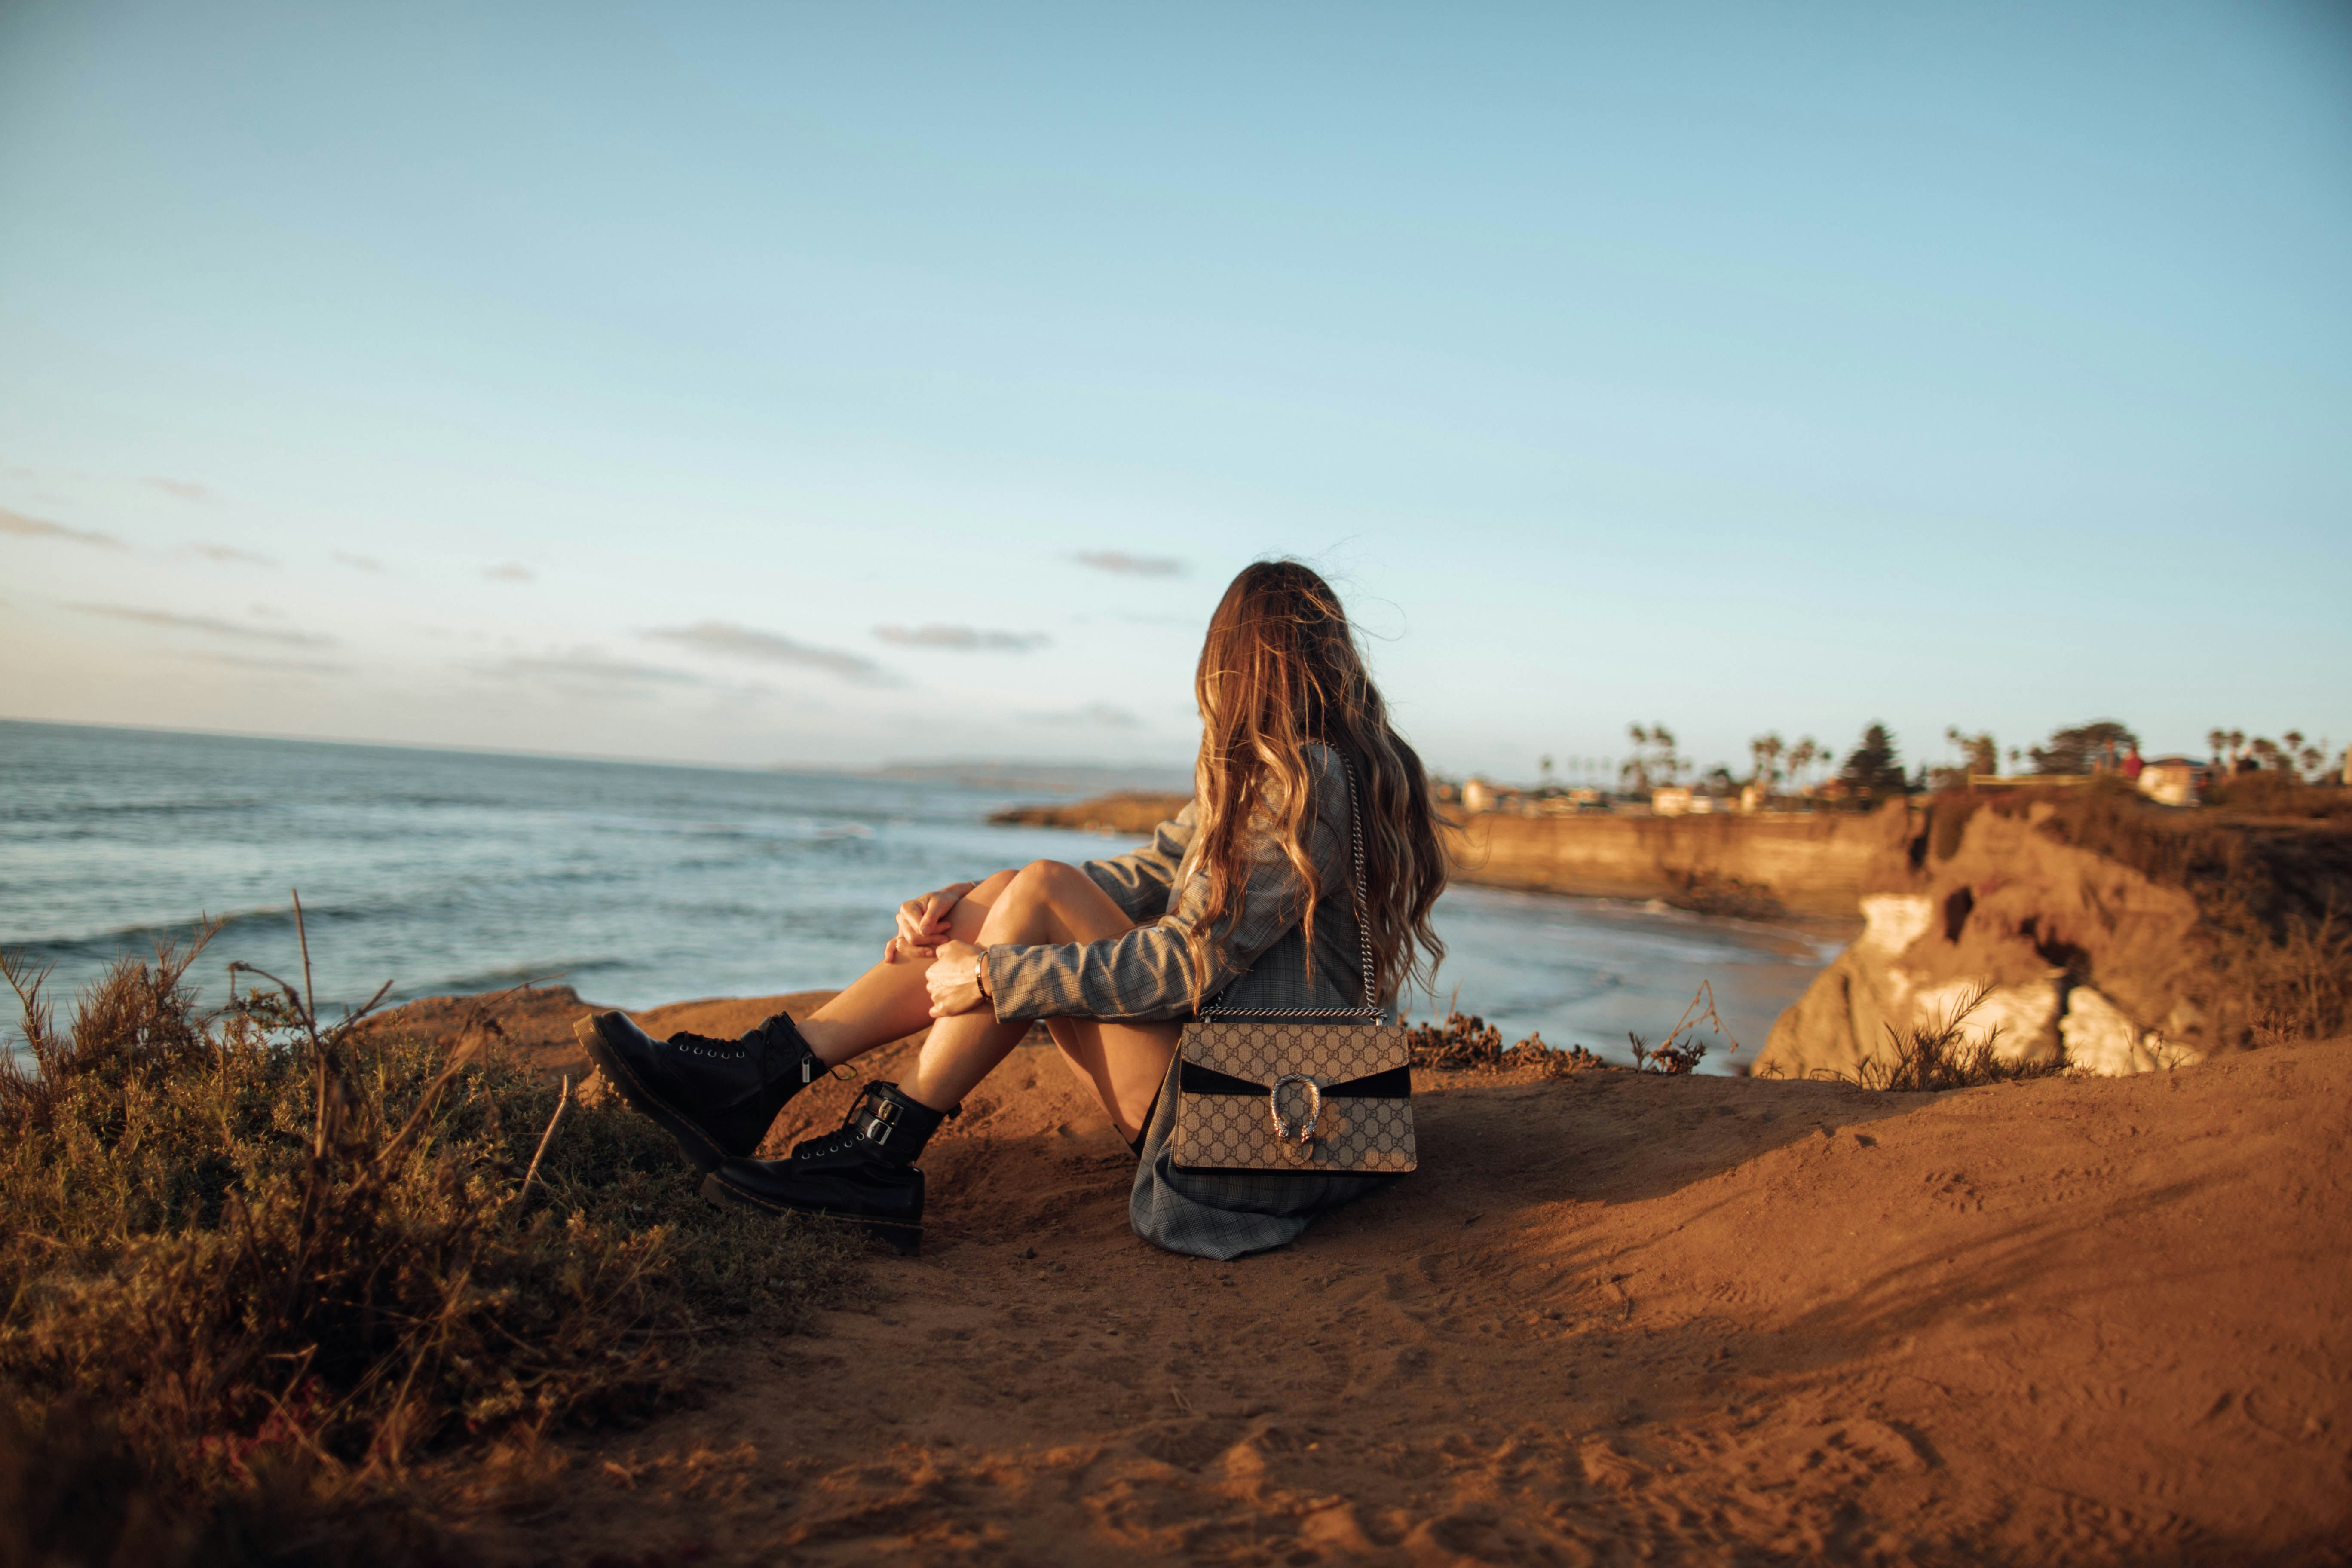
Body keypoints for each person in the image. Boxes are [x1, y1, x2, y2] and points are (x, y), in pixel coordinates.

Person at [577, 560, 1450, 1257]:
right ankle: (762, 1076)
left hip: (1251, 1122)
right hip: (1254, 1096)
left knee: (1033, 895)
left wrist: (999, 968)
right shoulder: (1302, 769)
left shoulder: (1304, 783)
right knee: (1020, 889)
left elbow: (1194, 964)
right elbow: (1145, 872)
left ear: (1236, 663)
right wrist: (967, 903)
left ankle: (869, 1151)